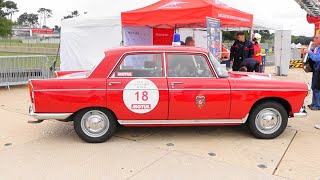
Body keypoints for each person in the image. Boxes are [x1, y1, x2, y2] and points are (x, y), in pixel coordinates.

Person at [303, 34, 320, 129]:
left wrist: (310, 52)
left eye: (317, 38)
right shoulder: (316, 47)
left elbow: (317, 58)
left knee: (317, 88)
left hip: (319, 72)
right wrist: (311, 49)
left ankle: (317, 105)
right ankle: (314, 103)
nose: (314, 39)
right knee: (313, 87)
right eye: (314, 37)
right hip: (316, 70)